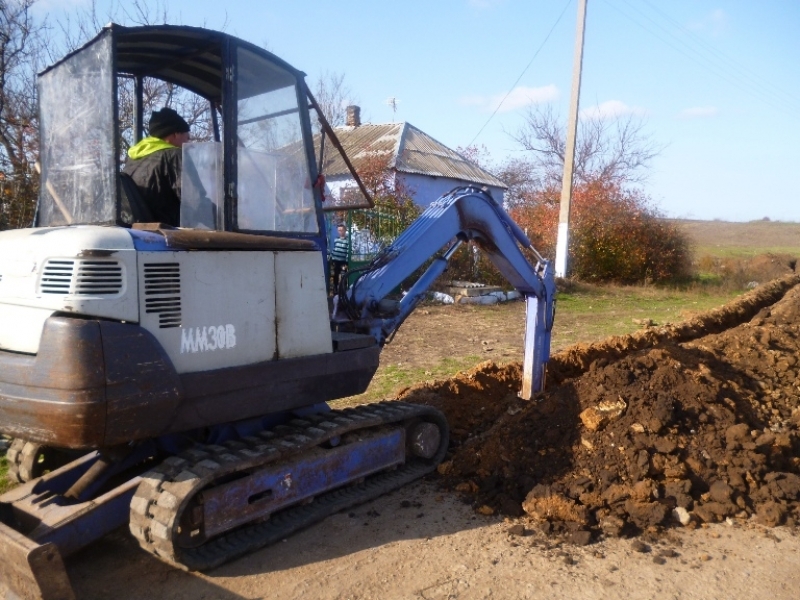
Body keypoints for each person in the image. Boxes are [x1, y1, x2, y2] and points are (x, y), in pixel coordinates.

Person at [123, 107, 191, 226]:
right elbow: (193, 200)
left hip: (140, 230)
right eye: (186, 137)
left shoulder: (132, 159)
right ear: (175, 134)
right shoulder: (174, 155)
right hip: (169, 233)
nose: (188, 141)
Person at [330, 223, 350, 291]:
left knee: (343, 274)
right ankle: (335, 288)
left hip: (343, 261)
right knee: (335, 274)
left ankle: (343, 288)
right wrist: (332, 257)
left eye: (342, 230)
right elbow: (333, 249)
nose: (340, 232)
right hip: (335, 260)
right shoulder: (336, 239)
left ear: (345, 230)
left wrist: (347, 261)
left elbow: (348, 251)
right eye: (339, 230)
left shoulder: (348, 240)